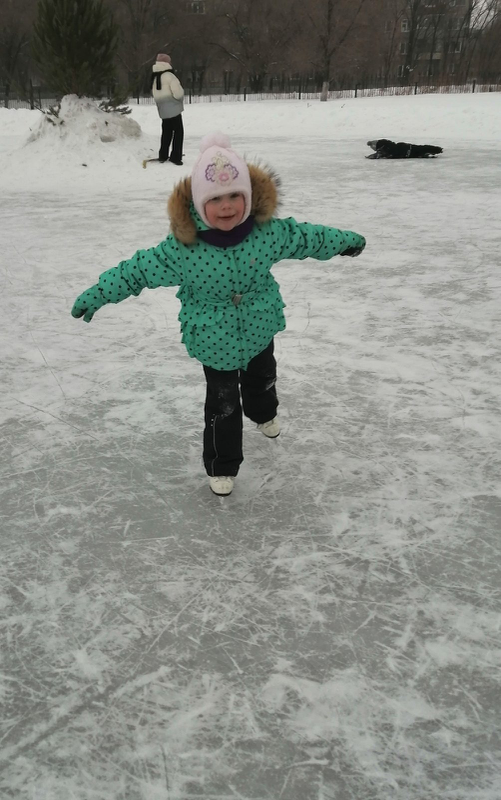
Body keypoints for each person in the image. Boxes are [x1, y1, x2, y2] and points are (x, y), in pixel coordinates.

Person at [71, 132, 366, 496]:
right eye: (215, 199)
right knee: (222, 404)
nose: (226, 206)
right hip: (213, 337)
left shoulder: (267, 233)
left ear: (248, 197)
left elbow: (308, 238)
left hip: (259, 325)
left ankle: (263, 413)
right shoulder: (183, 248)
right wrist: (99, 294)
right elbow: (138, 271)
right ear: (199, 203)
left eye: (234, 196)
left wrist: (345, 241)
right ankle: (222, 465)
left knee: (263, 378)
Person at [151, 53, 184, 165]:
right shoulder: (170, 76)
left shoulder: (155, 77)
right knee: (178, 132)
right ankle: (176, 156)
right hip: (174, 109)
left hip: (163, 110)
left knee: (166, 132)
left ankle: (163, 155)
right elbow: (178, 93)